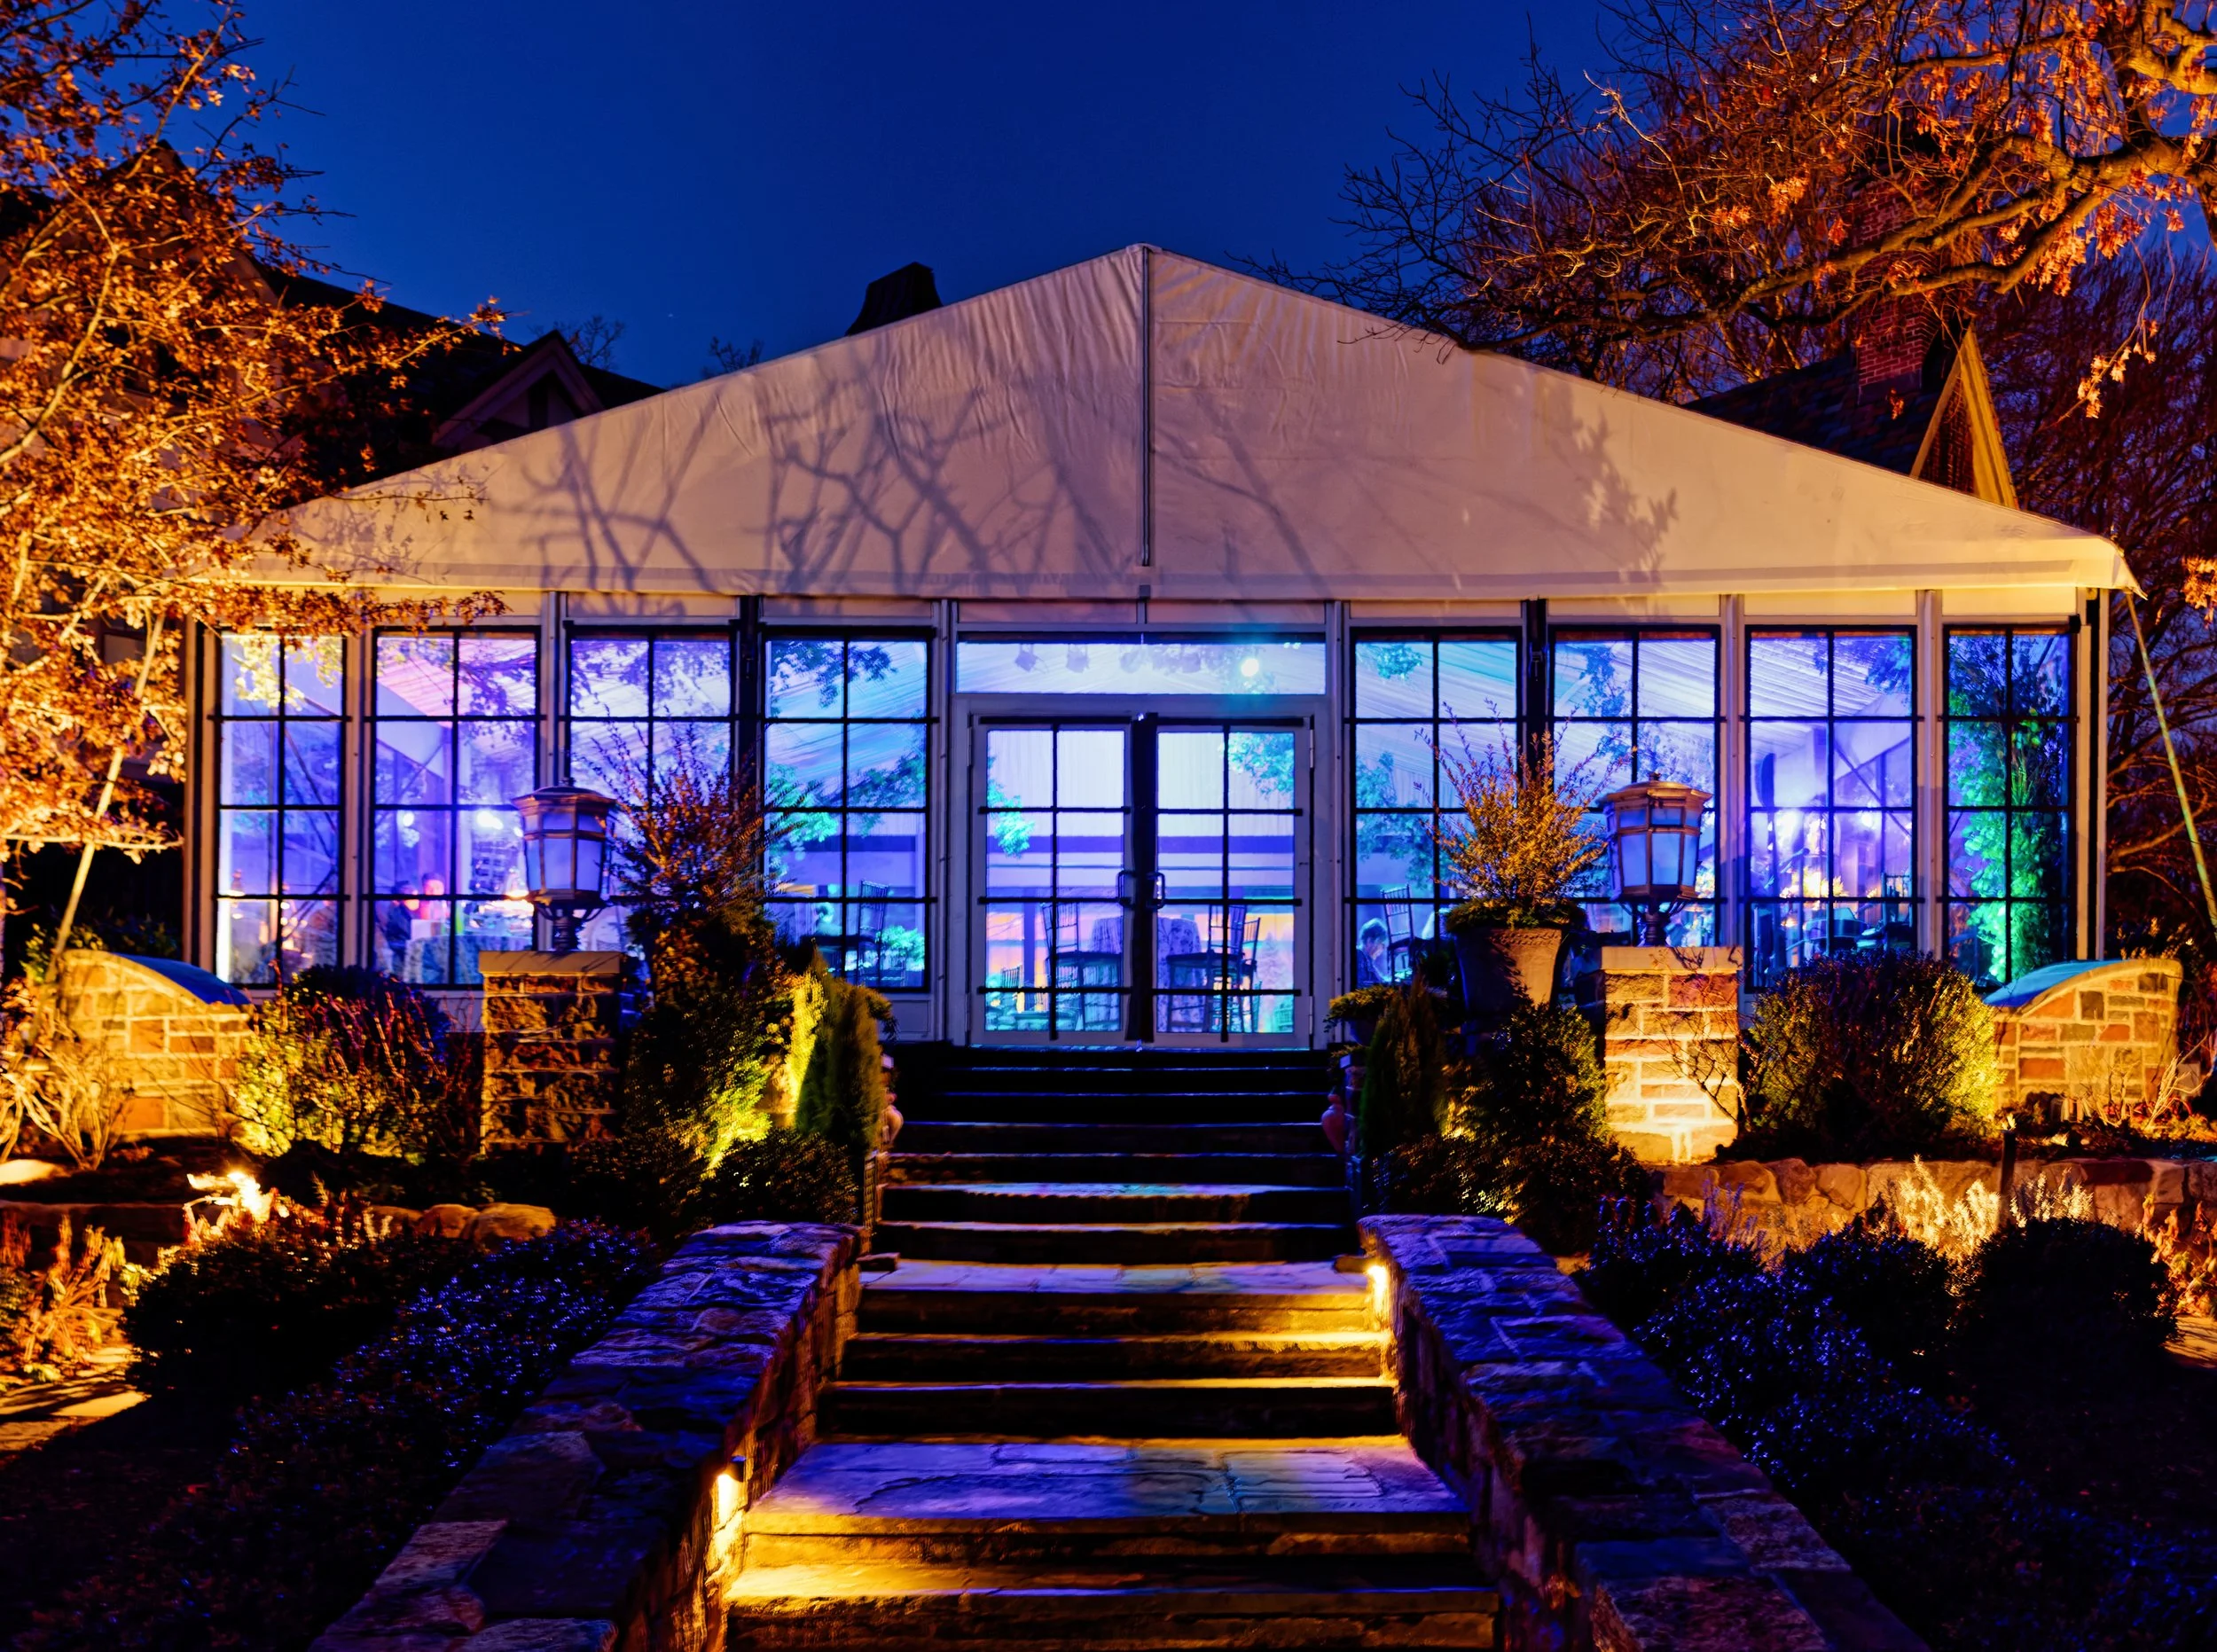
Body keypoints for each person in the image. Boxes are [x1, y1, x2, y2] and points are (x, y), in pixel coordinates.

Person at [1355, 918, 1392, 986]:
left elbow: (1381, 981)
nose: (1383, 948)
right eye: (1382, 944)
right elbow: (1360, 985)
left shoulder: (1366, 958)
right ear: (1369, 941)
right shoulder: (1359, 956)